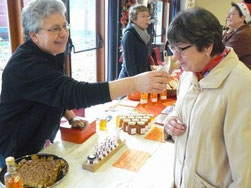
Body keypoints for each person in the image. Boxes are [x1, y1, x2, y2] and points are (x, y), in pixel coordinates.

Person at [0, 0, 169, 168]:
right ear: (34, 35)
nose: (64, 33)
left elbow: (55, 92)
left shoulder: (51, 52)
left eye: (65, 26)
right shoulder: (26, 66)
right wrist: (134, 83)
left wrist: (71, 117)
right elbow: (74, 93)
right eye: (55, 29)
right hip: (14, 151)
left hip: (39, 143)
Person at [164, 8, 251, 187]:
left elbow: (245, 174)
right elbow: (186, 112)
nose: (175, 56)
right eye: (172, 47)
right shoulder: (190, 74)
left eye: (181, 48)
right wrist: (171, 121)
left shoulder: (241, 84)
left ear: (208, 46)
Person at [118, 4, 151, 78]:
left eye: (147, 16)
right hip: (129, 80)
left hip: (141, 77)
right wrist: (136, 84)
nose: (147, 19)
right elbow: (129, 65)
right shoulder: (129, 35)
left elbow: (145, 59)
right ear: (133, 19)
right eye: (143, 16)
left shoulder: (144, 34)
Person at [222, 0, 251, 70]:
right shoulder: (236, 30)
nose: (227, 16)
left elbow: (222, 56)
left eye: (231, 14)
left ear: (242, 18)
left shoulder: (243, 34)